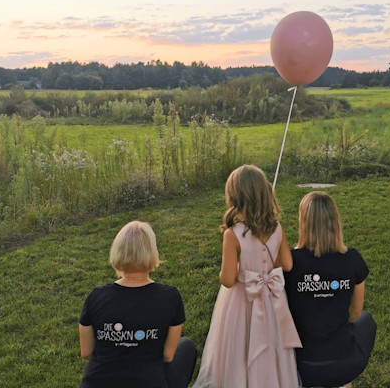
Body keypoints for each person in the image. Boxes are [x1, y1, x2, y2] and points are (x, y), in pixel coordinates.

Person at [193, 164, 302, 388]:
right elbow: (288, 264)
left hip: (242, 300)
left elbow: (227, 279)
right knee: (271, 345)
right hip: (272, 297)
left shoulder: (233, 234)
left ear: (235, 196)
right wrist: (266, 267)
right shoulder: (276, 227)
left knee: (240, 346)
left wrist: (240, 268)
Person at [79, 220, 197, 388]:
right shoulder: (170, 297)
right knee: (186, 346)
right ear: (151, 254)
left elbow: (86, 352)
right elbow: (167, 356)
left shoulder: (96, 297)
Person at [284, 191, 377, 388]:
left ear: (303, 222)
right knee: (365, 319)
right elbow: (355, 313)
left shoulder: (290, 263)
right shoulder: (352, 259)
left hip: (300, 366)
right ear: (335, 220)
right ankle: (340, 383)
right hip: (344, 364)